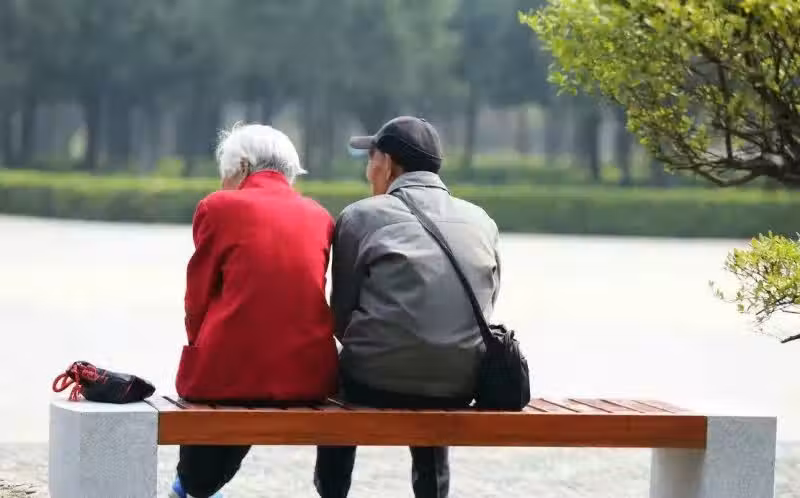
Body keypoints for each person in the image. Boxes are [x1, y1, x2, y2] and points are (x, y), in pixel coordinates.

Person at [315, 116, 501, 498]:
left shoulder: (361, 216)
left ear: (386, 163)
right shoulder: (482, 221)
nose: (368, 170)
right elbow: (486, 304)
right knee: (437, 357)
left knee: (336, 376)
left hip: (373, 382)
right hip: (460, 383)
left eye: (370, 159)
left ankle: (332, 492)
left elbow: (341, 315)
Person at [170, 123, 338, 498]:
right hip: (308, 378)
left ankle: (192, 486)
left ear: (243, 166)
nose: (223, 184)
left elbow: (197, 300)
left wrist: (200, 347)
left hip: (229, 376)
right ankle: (196, 486)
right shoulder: (320, 216)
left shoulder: (218, 207)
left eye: (225, 174)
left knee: (200, 470)